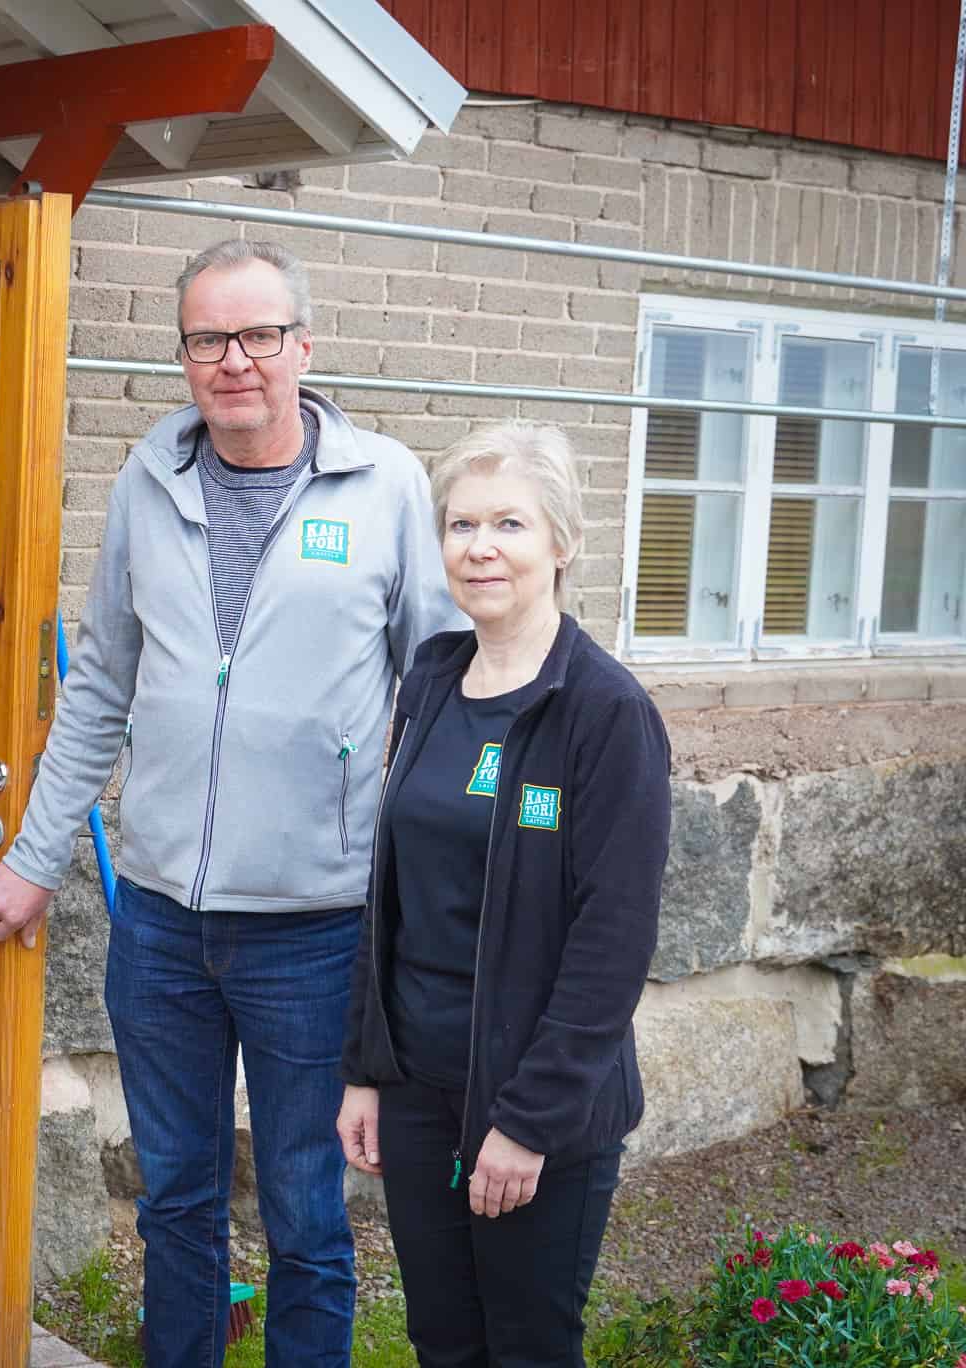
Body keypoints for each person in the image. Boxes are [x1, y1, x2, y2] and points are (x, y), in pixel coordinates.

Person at [0, 238, 464, 1367]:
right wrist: (36, 856)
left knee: (304, 1217)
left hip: (315, 931)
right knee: (176, 1207)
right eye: (207, 339)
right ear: (184, 356)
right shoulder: (147, 482)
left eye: (257, 335)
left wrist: (424, 899)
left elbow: (441, 693)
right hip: (160, 925)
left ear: (305, 346)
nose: (234, 360)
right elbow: (100, 684)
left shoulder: (387, 485)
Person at [336, 421, 671, 1368]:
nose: (480, 547)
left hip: (535, 1104)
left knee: (527, 1348)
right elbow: (389, 893)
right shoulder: (432, 678)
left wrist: (526, 1124)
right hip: (416, 1088)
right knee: (442, 1341)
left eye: (510, 524)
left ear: (562, 544)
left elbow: (612, 945)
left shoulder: (605, 713)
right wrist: (365, 1068)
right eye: (462, 524)